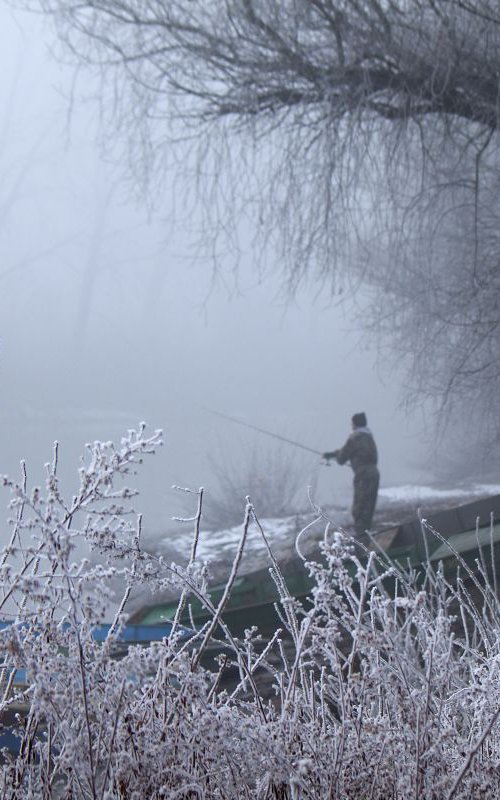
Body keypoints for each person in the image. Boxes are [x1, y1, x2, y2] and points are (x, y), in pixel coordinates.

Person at [323, 412, 380, 537]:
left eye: (351, 423)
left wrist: (332, 455)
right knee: (369, 506)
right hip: (374, 473)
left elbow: (342, 458)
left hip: (363, 475)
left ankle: (361, 537)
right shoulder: (369, 437)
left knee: (359, 508)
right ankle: (367, 534)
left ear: (355, 424)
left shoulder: (355, 438)